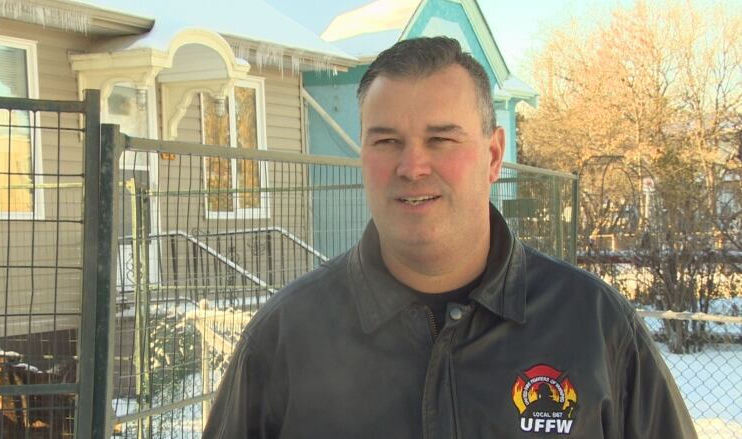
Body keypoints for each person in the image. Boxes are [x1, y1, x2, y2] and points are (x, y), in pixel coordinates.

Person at [202, 36, 697, 438]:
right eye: (386, 140)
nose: (412, 166)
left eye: (441, 139)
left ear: (493, 155)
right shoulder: (286, 337)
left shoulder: (594, 328)